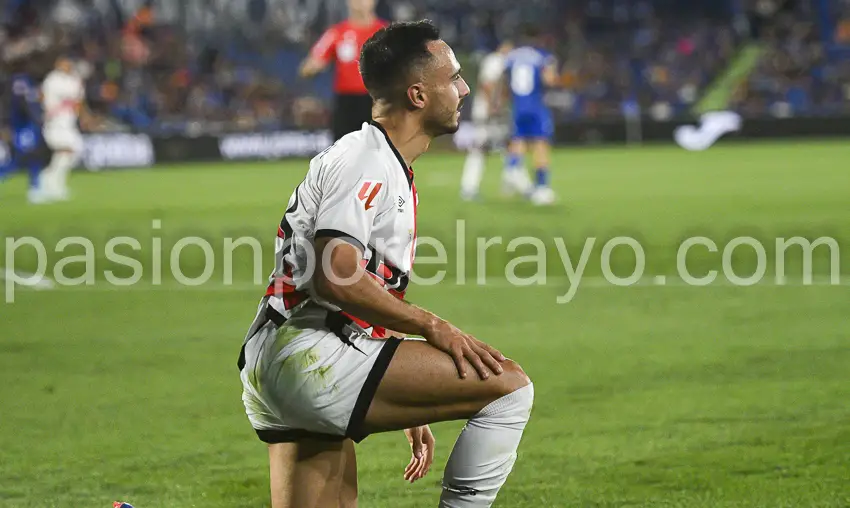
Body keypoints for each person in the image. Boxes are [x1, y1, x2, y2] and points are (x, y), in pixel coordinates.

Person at [238, 20, 534, 508]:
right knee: (508, 388)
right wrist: (432, 327)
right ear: (418, 94)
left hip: (282, 354)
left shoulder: (373, 156)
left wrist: (393, 366)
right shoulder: (367, 161)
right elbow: (337, 274)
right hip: (312, 355)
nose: (463, 89)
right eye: (454, 78)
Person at [299, 0, 388, 141]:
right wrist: (313, 66)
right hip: (346, 102)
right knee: (343, 149)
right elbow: (311, 63)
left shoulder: (387, 32)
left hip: (376, 100)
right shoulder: (337, 32)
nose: (361, 3)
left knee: (379, 149)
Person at [460, 40, 532, 201]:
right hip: (488, 113)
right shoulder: (495, 60)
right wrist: (494, 105)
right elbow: (487, 84)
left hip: (495, 113)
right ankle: (469, 188)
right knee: (482, 149)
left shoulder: (504, 61)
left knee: (509, 148)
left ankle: (521, 185)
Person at [503, 25, 559, 206]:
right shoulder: (542, 57)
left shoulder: (512, 57)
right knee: (540, 144)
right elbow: (549, 80)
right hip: (535, 106)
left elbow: (505, 80)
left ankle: (511, 170)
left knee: (518, 139)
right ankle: (542, 188)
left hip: (518, 106)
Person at [39, 55, 88, 202]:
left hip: (69, 123)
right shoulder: (52, 80)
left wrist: (81, 116)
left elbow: (78, 101)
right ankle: (49, 181)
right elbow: (46, 100)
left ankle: (52, 182)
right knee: (67, 149)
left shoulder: (74, 80)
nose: (65, 66)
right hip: (55, 122)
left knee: (73, 151)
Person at [0, 65, 46, 204]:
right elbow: (24, 105)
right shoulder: (21, 81)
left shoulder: (17, 81)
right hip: (24, 127)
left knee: (29, 157)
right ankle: (35, 188)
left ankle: (35, 187)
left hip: (24, 126)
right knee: (22, 158)